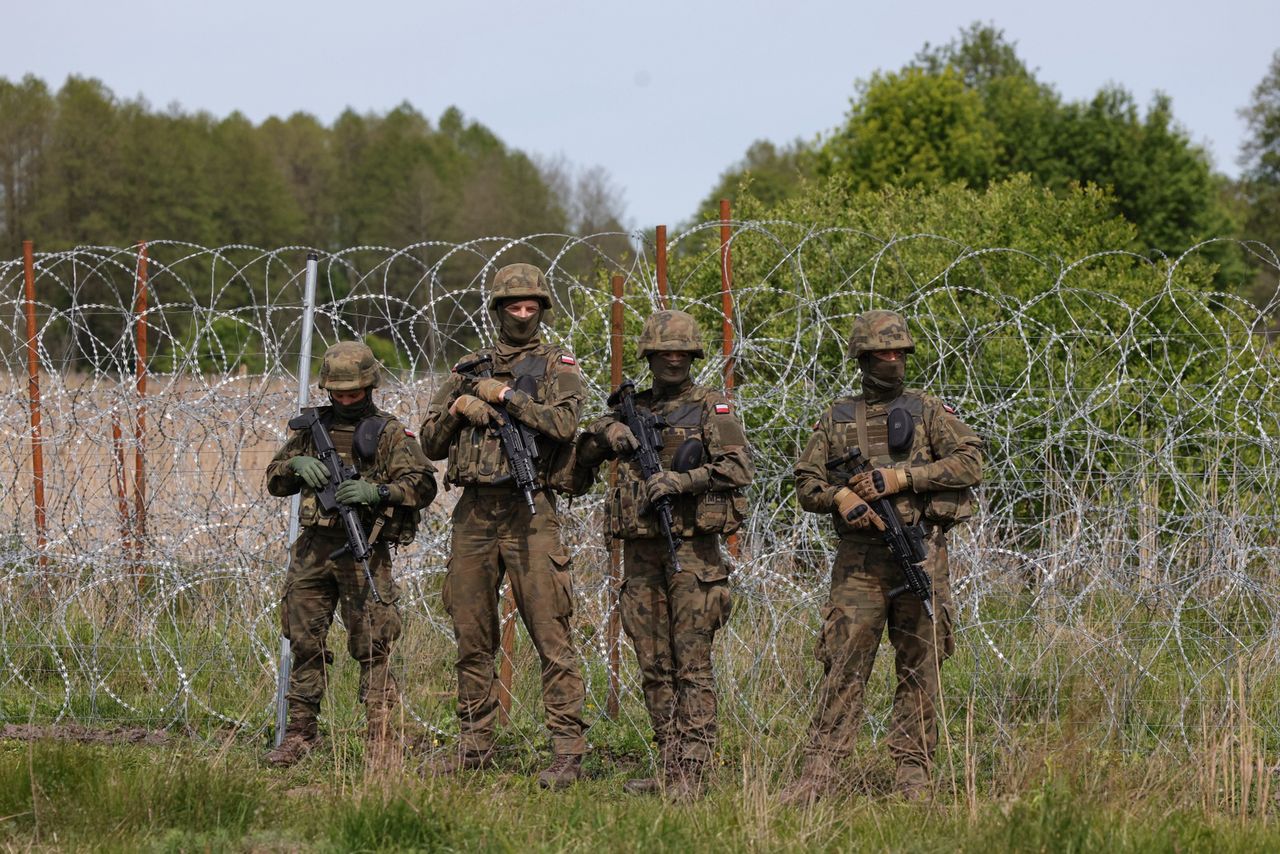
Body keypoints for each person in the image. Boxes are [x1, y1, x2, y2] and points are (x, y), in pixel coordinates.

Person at [781, 309, 982, 804]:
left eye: (899, 353)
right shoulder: (837, 416)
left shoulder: (929, 410)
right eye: (882, 354)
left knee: (921, 665)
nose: (892, 361)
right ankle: (820, 774)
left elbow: (972, 462)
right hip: (860, 562)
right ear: (863, 358)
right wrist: (841, 498)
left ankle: (913, 775)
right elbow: (806, 482)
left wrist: (903, 479)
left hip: (920, 555)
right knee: (844, 662)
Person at [418, 262, 589, 789]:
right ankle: (475, 745)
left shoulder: (557, 365)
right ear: (497, 310)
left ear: (541, 308)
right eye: (513, 306)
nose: (522, 313)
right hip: (474, 513)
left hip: (530, 511)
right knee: (472, 634)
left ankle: (567, 752)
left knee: (550, 633)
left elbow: (564, 424)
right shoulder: (468, 367)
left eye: (530, 305)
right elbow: (428, 443)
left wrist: (507, 397)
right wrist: (461, 406)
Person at [576, 309, 753, 802]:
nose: (672, 360)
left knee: (691, 664)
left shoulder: (709, 408)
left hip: (693, 553)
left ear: (692, 356)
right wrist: (605, 434)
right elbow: (580, 461)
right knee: (653, 662)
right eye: (663, 353)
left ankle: (693, 772)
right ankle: (669, 763)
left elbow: (739, 467)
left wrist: (681, 480)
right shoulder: (629, 410)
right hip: (640, 554)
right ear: (649, 357)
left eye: (680, 353)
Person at [265, 340, 436, 769]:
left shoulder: (389, 432)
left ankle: (380, 739)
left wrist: (377, 491)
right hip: (313, 550)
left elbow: (424, 486)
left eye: (353, 393)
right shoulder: (310, 429)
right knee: (304, 641)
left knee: (374, 645)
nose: (344, 400)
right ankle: (300, 735)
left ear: (369, 387)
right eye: (337, 393)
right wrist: (294, 466)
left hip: (365, 549)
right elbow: (274, 478)